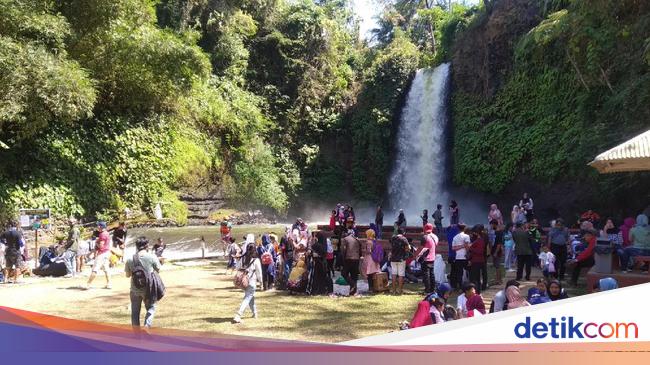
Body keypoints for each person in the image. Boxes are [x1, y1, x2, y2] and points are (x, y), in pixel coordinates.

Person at [125, 237, 161, 330]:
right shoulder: (151, 256)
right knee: (151, 308)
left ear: (136, 246)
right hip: (148, 289)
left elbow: (128, 275)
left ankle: (136, 334)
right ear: (147, 246)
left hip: (134, 289)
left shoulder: (130, 259)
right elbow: (158, 269)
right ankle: (146, 326)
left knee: (135, 312)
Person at [233, 245, 263, 323]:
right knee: (248, 297)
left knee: (250, 296)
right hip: (252, 281)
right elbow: (259, 273)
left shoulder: (242, 258)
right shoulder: (256, 260)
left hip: (244, 282)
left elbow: (237, 267)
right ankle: (238, 315)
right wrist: (261, 283)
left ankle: (255, 313)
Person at [84, 221, 112, 290]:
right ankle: (109, 284)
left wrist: (96, 242)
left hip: (102, 254)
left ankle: (88, 284)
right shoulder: (107, 233)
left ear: (101, 226)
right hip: (107, 252)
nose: (97, 227)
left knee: (95, 269)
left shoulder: (102, 234)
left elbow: (101, 246)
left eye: (98, 226)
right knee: (106, 269)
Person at [416, 223, 438, 294]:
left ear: (424, 229)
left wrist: (415, 254)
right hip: (433, 257)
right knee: (432, 273)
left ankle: (427, 290)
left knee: (426, 274)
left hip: (425, 258)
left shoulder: (425, 237)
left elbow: (420, 248)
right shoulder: (435, 237)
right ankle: (433, 289)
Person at [340, 229, 362, 296]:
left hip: (348, 258)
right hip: (356, 259)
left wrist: (343, 259)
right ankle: (353, 292)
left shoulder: (345, 239)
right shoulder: (357, 240)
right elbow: (360, 250)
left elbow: (343, 250)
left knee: (344, 273)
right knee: (354, 275)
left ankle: (352, 285)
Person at [390, 229, 410, 295]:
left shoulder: (393, 238)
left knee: (394, 274)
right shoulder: (404, 239)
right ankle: (399, 290)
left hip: (393, 258)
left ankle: (393, 290)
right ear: (403, 232)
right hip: (401, 258)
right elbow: (408, 248)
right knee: (401, 275)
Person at [450, 226, 471, 290]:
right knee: (469, 271)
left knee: (459, 273)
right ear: (464, 229)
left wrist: (461, 246)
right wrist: (468, 254)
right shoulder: (466, 236)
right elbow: (467, 246)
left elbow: (453, 248)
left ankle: (460, 287)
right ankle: (469, 285)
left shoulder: (455, 237)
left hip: (458, 257)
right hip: (465, 257)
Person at [468, 225, 488, 292]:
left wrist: (471, 248)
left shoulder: (480, 241)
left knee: (476, 278)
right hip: (476, 260)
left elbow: (480, 251)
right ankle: (477, 290)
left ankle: (477, 290)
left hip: (477, 261)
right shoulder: (479, 240)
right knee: (477, 277)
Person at [490, 220, 505, 285]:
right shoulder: (494, 232)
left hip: (497, 251)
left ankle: (499, 280)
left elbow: (499, 244)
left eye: (491, 225)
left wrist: (496, 252)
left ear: (494, 224)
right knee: (496, 266)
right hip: (494, 250)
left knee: (497, 266)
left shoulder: (499, 233)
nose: (490, 226)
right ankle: (497, 279)